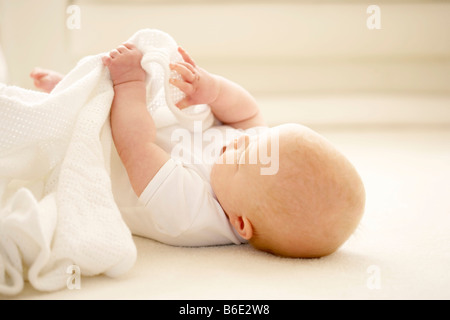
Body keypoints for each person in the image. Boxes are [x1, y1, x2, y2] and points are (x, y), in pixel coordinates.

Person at [30, 43, 365, 258]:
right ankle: (77, 91)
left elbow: (136, 146)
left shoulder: (190, 214)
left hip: (109, 153)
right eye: (264, 139)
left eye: (240, 158)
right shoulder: (255, 165)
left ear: (240, 222)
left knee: (80, 132)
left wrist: (129, 84)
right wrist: (213, 90)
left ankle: (66, 103)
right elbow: (249, 114)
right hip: (155, 124)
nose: (242, 140)